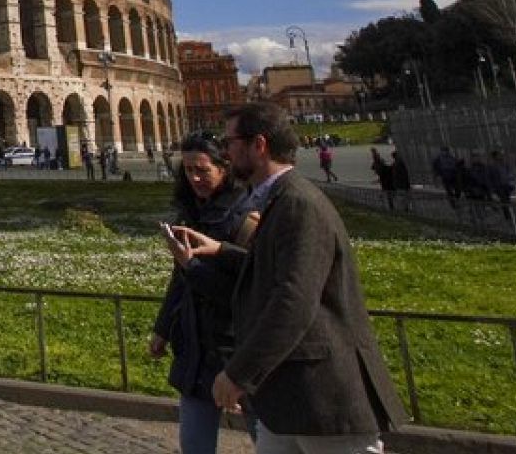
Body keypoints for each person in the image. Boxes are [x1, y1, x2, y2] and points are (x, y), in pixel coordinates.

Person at [173, 102, 406, 453]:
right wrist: (220, 249)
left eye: (231, 141)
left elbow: (293, 300)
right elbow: (271, 269)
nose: (226, 150)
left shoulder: (298, 203)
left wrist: (238, 373)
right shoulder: (280, 199)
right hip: (288, 395)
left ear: (259, 145)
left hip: (323, 395)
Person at [151, 134, 260, 453]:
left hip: (240, 349)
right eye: (187, 170)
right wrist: (162, 328)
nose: (194, 178)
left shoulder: (248, 220)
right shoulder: (191, 213)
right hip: (196, 348)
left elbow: (249, 292)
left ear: (224, 168)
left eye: (201, 170)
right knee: (194, 446)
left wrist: (192, 266)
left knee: (267, 438)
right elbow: (179, 277)